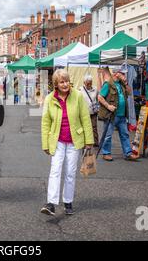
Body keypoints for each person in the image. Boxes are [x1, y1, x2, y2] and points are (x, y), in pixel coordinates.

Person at [40, 69, 93, 216]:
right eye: (61, 82)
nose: (65, 84)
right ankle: (51, 203)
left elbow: (85, 119)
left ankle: (68, 201)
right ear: (56, 84)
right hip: (57, 140)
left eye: (66, 81)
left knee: (70, 172)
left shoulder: (78, 96)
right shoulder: (50, 98)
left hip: (74, 141)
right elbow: (45, 122)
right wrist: (45, 143)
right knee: (55, 170)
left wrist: (89, 140)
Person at [98, 66, 138, 162]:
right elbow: (100, 97)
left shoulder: (122, 84)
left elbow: (129, 92)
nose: (124, 75)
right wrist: (108, 106)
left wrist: (125, 82)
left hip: (122, 115)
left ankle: (128, 153)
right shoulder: (108, 84)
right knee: (108, 135)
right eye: (122, 73)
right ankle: (106, 153)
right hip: (111, 115)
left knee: (125, 134)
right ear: (116, 73)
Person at [80, 74, 99, 147]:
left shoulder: (95, 89)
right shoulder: (80, 90)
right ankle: (84, 142)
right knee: (84, 127)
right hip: (84, 112)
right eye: (87, 83)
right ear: (84, 82)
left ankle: (96, 142)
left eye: (90, 82)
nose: (89, 84)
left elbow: (97, 99)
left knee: (94, 127)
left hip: (93, 112)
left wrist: (97, 108)